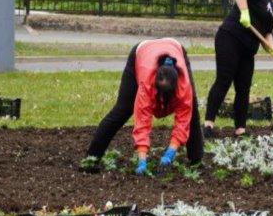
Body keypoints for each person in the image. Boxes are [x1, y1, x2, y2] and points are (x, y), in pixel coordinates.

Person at [85, 37, 202, 174]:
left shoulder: (184, 87)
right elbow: (142, 121)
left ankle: (196, 161)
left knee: (192, 111)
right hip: (141, 54)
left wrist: (171, 150)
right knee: (122, 110)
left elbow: (183, 121)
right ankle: (91, 159)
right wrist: (142, 159)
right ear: (155, 85)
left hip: (175, 48)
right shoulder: (146, 85)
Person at [203, 0, 273, 138]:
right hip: (230, 38)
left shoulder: (271, 11)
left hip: (248, 50)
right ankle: (208, 125)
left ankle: (240, 128)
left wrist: (272, 48)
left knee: (243, 87)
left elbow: (266, 33)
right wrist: (244, 11)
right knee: (224, 80)